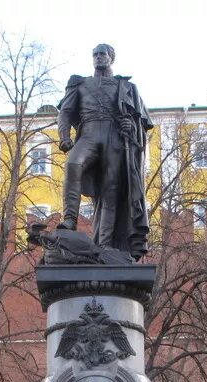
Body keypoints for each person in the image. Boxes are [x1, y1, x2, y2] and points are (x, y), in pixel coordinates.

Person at [57, 43, 152, 260]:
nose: (98, 57)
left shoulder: (126, 86)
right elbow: (65, 112)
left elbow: (141, 122)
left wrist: (131, 126)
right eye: (95, 54)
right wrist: (64, 136)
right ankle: (70, 219)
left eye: (103, 54)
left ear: (111, 58)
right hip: (89, 132)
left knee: (111, 191)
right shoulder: (80, 84)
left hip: (115, 137)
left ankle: (105, 244)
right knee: (73, 164)